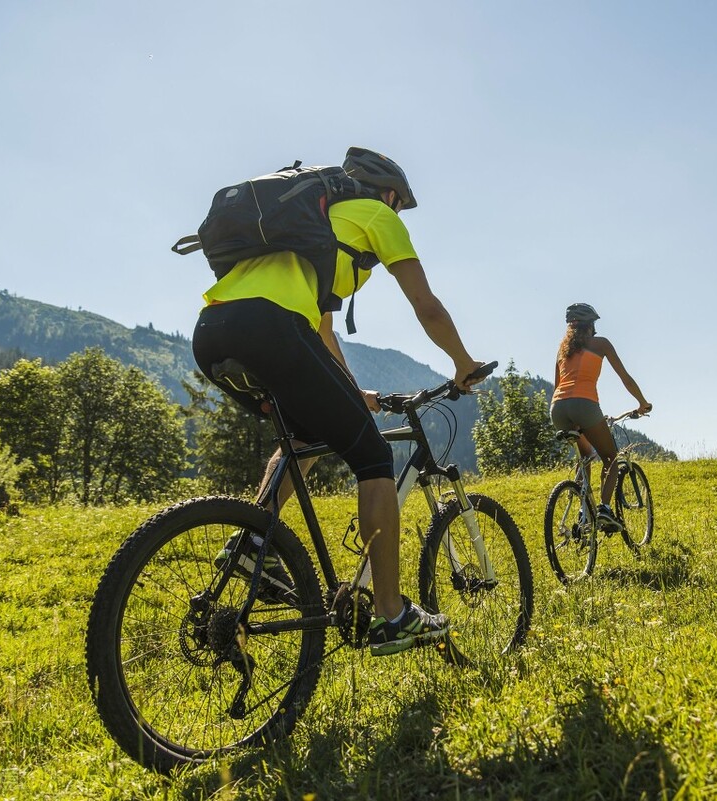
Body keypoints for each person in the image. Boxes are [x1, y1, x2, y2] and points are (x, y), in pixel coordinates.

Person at [192, 147, 486, 656]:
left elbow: (324, 332)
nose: (395, 212)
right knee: (373, 459)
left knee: (304, 433)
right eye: (398, 203)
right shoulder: (376, 216)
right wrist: (463, 362)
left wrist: (354, 393)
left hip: (215, 331)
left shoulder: (311, 229)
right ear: (390, 195)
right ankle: (391, 615)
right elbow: (427, 306)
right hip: (272, 328)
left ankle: (252, 543)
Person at [550, 303, 652, 531]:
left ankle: (583, 511)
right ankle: (604, 510)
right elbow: (625, 378)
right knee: (611, 458)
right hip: (584, 404)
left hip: (557, 408)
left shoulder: (562, 351)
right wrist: (642, 403)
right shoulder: (601, 344)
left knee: (585, 455)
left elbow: (558, 386)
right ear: (591, 326)